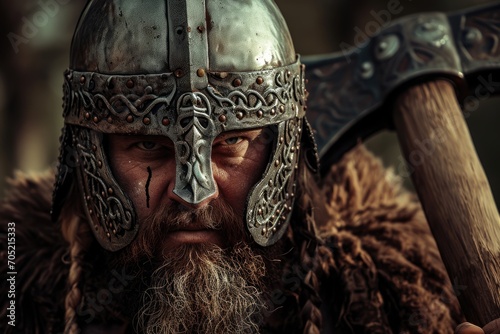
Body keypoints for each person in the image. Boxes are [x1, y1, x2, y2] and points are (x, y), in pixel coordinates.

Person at [1, 0, 498, 333]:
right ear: (89, 156)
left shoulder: (389, 292)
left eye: (232, 143)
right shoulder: (15, 284)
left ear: (283, 148)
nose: (194, 193)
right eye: (149, 147)